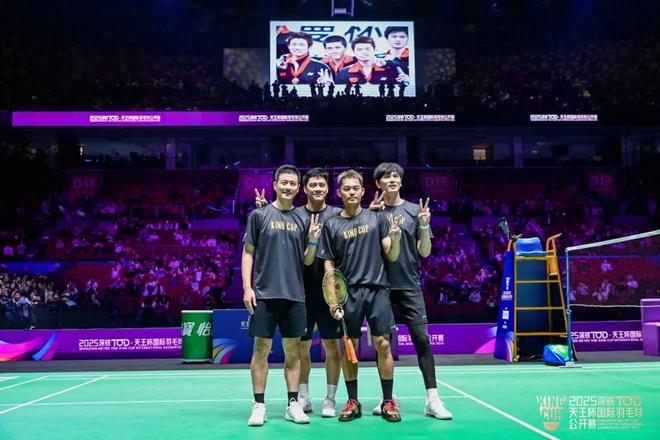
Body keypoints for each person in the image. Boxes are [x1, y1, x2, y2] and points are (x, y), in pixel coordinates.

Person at [255, 168, 344, 417]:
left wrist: (376, 212)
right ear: (304, 189)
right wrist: (264, 209)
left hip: (328, 290)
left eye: (322, 185)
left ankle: (330, 398)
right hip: (299, 291)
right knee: (300, 347)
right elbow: (274, 222)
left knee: (331, 346)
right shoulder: (297, 214)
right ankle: (302, 396)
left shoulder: (337, 215)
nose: (318, 189)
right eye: (312, 185)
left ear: (328, 189)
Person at [369, 162, 453, 420]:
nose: (392, 179)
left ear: (401, 181)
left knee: (422, 340)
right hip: (380, 285)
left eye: (396, 176)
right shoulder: (373, 212)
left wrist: (425, 226)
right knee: (383, 344)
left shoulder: (415, 211)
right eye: (387, 176)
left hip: (409, 284)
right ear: (378, 184)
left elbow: (424, 251)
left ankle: (432, 399)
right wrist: (369, 214)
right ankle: (388, 399)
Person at [317, 169, 403, 423]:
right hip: (349, 293)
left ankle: (388, 401)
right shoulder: (332, 224)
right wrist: (333, 297)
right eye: (347, 188)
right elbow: (329, 264)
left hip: (377, 289)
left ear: (363, 191)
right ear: (339, 193)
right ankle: (353, 401)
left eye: (356, 188)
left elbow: (391, 253)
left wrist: (396, 238)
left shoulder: (377, 218)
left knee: (383, 344)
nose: (352, 192)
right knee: (350, 347)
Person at [243, 165, 322, 426]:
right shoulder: (259, 215)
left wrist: (312, 241)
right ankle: (259, 405)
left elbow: (307, 260)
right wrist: (247, 287)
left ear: (298, 188)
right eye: (284, 182)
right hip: (264, 293)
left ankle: (292, 404)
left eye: (292, 183)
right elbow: (248, 252)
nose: (288, 186)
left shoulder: (303, 219)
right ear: (275, 184)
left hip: (295, 295)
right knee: (261, 349)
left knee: (293, 351)